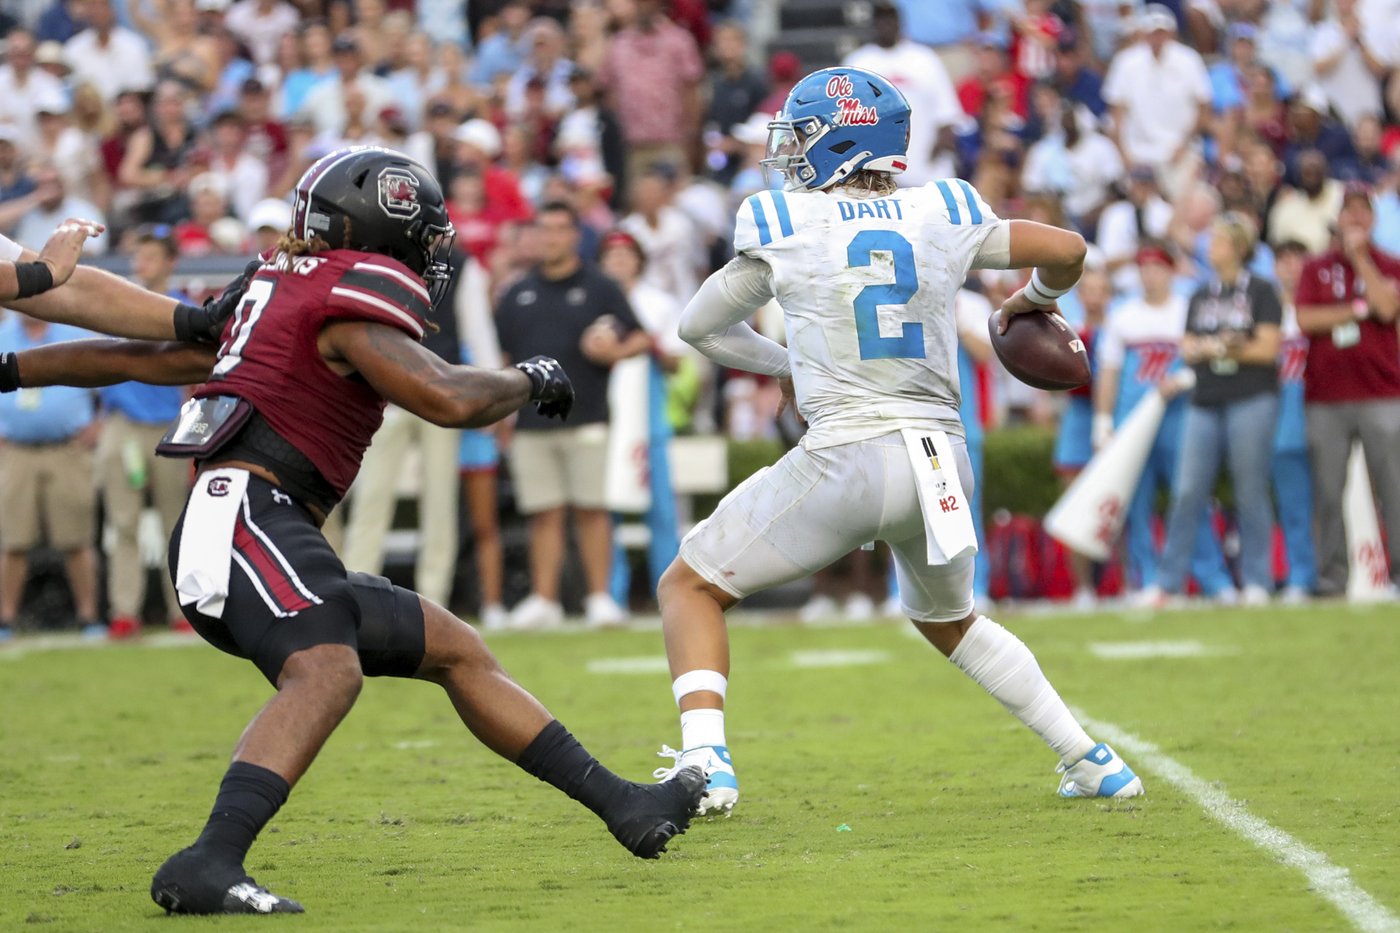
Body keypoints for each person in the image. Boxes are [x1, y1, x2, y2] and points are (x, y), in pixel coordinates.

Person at [1, 148, 705, 915]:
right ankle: (210, 858)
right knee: (328, 671)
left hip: (251, 521)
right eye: (425, 234)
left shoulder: (281, 288)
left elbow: (151, 356)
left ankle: (627, 806)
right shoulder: (344, 300)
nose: (432, 252)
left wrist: (16, 369)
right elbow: (445, 397)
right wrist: (530, 377)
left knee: (454, 649)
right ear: (385, 227)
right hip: (247, 515)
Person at [649, 68, 1144, 818]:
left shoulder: (788, 223)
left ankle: (705, 762)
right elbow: (1070, 248)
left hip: (846, 452)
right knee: (951, 620)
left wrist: (791, 365)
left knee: (689, 585)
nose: (790, 151)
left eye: (805, 135)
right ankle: (1091, 758)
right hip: (940, 461)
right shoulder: (943, 209)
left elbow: (698, 328)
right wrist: (1031, 301)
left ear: (841, 143)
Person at [1149, 214, 1282, 608]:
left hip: (1251, 397)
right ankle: (1167, 583)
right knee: (1187, 489)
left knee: (1250, 488)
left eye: (1219, 241)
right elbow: (1188, 347)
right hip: (1205, 399)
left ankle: (1258, 580)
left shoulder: (1262, 290)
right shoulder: (1200, 293)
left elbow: (1267, 349)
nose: (1211, 247)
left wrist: (1220, 347)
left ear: (1238, 247)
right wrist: (1227, 344)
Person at [1093, 244, 1234, 602]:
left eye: (1156, 267)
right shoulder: (1123, 316)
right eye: (1143, 268)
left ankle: (1211, 578)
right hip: (1133, 422)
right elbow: (1108, 372)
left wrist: (1187, 378)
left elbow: (1208, 356)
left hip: (1180, 416)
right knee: (1136, 503)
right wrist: (1103, 421)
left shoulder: (1187, 310)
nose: (1149, 274)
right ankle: (1148, 579)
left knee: (1190, 496)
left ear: (1171, 271)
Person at [1294, 185, 1400, 596]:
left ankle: (1397, 576)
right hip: (1326, 397)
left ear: (1372, 220)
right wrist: (1358, 310)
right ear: (1339, 218)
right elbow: (1306, 319)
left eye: (1363, 213)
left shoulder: (1389, 264)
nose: (1355, 219)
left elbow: (1388, 310)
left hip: (1382, 392)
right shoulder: (1315, 267)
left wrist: (1360, 259)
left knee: (1393, 488)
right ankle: (1333, 578)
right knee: (1328, 491)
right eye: (1349, 212)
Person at [98, 228, 198, 638]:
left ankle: (184, 612)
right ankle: (125, 612)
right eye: (139, 256)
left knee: (179, 524)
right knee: (122, 523)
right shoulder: (117, 303)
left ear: (170, 262)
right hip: (123, 427)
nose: (141, 264)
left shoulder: (188, 309)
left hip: (171, 427)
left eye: (151, 256)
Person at [1270, 240, 1316, 602]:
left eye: (1297, 259)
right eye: (1282, 259)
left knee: (1332, 493)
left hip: (1321, 402)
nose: (1290, 266)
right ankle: (1301, 573)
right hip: (1279, 405)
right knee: (1293, 498)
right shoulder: (1265, 308)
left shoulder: (1320, 306)